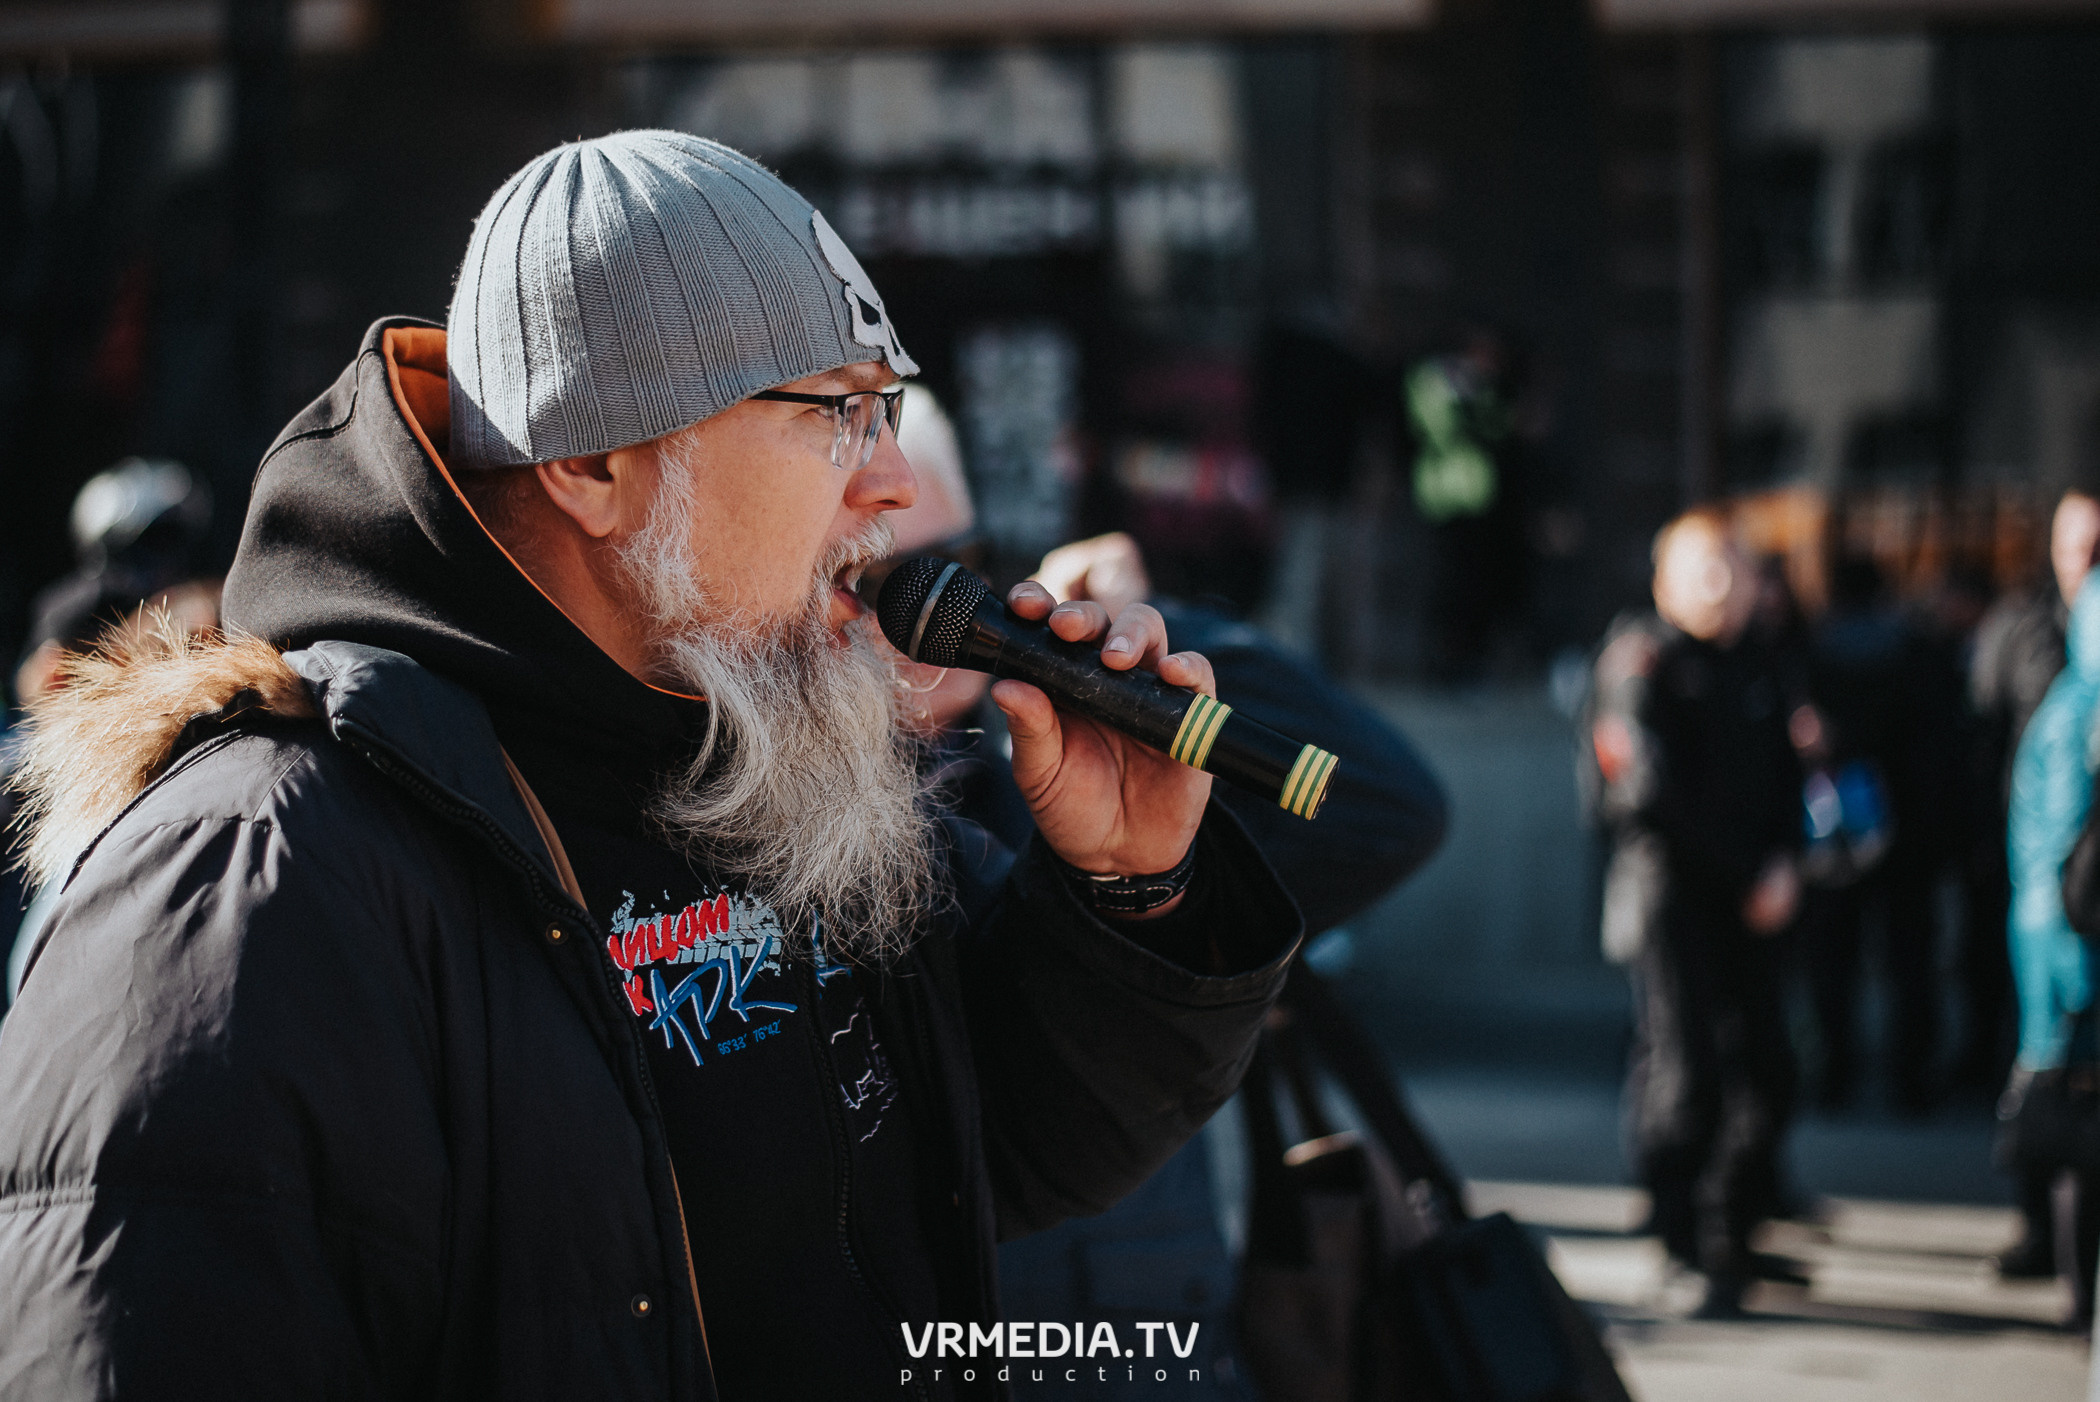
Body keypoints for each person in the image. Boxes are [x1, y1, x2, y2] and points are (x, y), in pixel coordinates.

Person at [0, 133, 1303, 1399]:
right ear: (589, 463)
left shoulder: (756, 762)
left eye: (888, 410)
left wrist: (1130, 886)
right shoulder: (262, 878)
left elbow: (996, 1151)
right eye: (837, 415)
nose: (897, 485)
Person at [884, 389, 1449, 1396]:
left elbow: (1386, 809)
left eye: (952, 565)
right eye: (885, 582)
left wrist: (1142, 656)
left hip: (1161, 1337)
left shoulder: (1077, 750)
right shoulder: (802, 824)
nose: (928, 610)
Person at [1593, 510, 1804, 1317]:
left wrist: (1783, 864)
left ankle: (1740, 1227)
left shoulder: (1760, 661)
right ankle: (1684, 1242)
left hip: (1756, 899)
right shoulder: (1643, 660)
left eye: (1733, 568)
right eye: (1702, 569)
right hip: (1675, 896)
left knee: (1769, 1067)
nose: (1721, 585)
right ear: (1664, 582)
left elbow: (1790, 774)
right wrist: (1749, 868)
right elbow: (1644, 788)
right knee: (1686, 1075)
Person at [1974, 489, 2100, 1279]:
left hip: (2058, 907)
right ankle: (2052, 1248)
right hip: (2057, 913)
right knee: (2055, 1081)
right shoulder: (2039, 652)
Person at [1999, 563, 2100, 1327]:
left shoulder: (2066, 707)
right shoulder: (2082, 719)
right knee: (2076, 1126)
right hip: (2071, 951)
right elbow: (2071, 867)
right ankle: (2077, 1289)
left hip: (2054, 941)